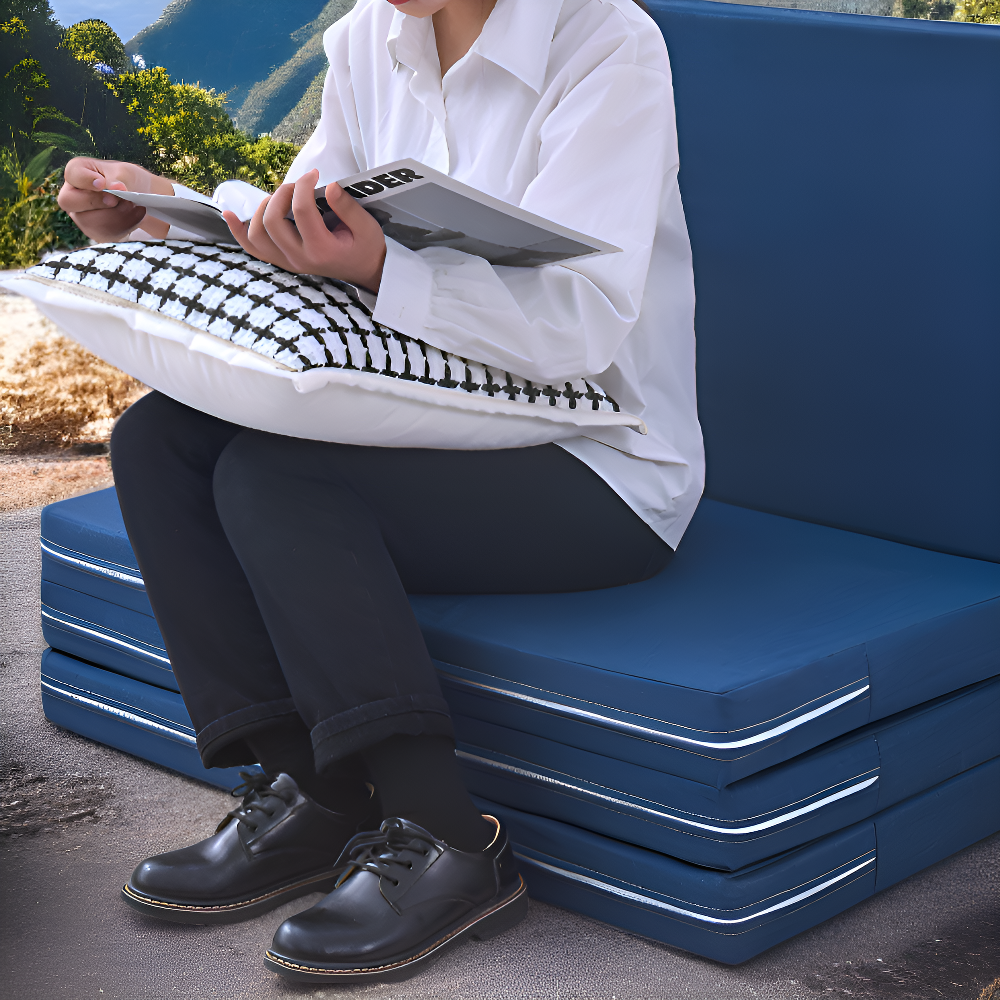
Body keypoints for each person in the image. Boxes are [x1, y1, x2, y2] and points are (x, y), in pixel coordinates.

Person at [56, 0, 703, 984]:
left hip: (598, 456)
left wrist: (385, 267)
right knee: (158, 442)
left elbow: (584, 325)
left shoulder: (605, 40)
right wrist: (158, 212)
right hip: (438, 409)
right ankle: (313, 792)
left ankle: (449, 838)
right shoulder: (365, 39)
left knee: (280, 477)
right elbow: (293, 236)